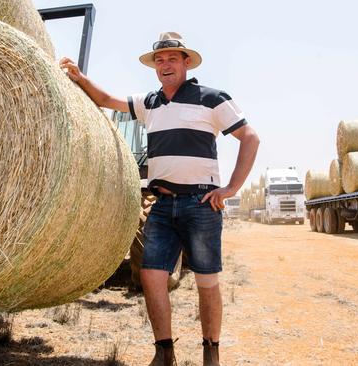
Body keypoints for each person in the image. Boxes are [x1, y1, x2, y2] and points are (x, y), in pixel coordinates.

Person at [60, 31, 259, 366]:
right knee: (153, 276)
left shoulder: (211, 98)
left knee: (206, 282)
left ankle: (211, 351)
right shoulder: (150, 102)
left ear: (185, 62)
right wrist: (80, 78)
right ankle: (164, 351)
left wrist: (231, 189)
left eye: (171, 58)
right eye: (159, 60)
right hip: (163, 204)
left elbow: (249, 137)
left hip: (201, 204)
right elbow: (108, 100)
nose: (165, 65)